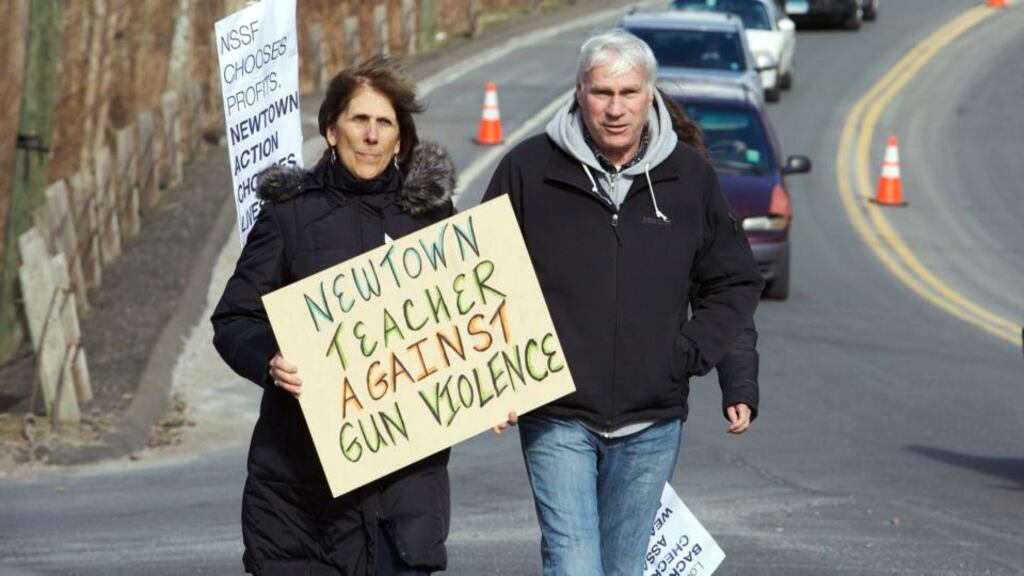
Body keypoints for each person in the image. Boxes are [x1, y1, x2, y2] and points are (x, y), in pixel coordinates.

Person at [483, 29, 763, 575]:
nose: (615, 109)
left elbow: (731, 282)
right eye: (601, 93)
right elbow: (481, 282)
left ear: (650, 95)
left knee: (623, 568)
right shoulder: (527, 170)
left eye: (629, 93)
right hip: (557, 413)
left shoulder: (690, 178)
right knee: (573, 564)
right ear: (579, 92)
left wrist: (694, 358)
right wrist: (498, 378)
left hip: (652, 422)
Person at [211, 59, 456, 576]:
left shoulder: (433, 218)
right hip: (303, 492)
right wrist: (269, 361)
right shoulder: (289, 213)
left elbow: (465, 324)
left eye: (384, 123)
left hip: (403, 494)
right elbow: (235, 320)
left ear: (400, 140)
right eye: (358, 120)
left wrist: (495, 389)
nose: (370, 136)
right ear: (330, 129)